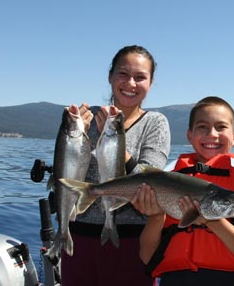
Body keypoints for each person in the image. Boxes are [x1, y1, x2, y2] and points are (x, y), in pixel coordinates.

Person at [130, 96, 234, 286]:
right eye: (202, 127)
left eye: (221, 127)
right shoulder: (167, 179)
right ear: (190, 135)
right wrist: (156, 217)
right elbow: (147, 257)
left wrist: (208, 218)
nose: (212, 134)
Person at [61, 45, 171, 286]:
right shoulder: (85, 120)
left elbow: (150, 180)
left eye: (140, 77)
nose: (130, 83)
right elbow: (66, 172)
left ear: (151, 83)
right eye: (123, 74)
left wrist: (114, 141)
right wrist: (71, 131)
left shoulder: (155, 123)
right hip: (78, 237)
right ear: (110, 76)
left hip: (132, 242)